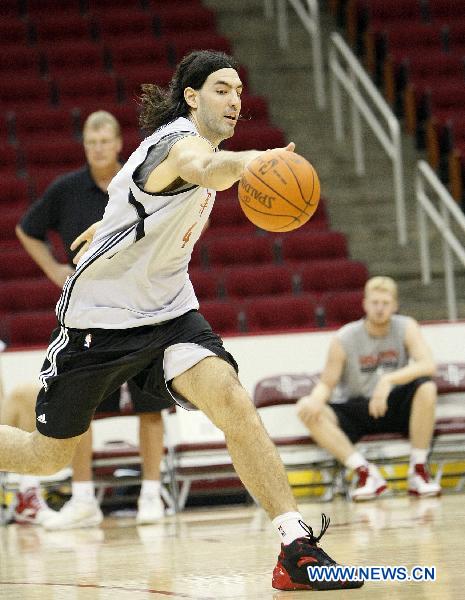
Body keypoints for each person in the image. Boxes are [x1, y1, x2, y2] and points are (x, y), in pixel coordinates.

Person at [0, 50, 363, 591]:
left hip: (170, 313)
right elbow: (202, 168)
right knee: (46, 453)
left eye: (239, 90)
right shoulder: (179, 143)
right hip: (99, 322)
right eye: (221, 88)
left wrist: (106, 229)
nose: (235, 99)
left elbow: (136, 195)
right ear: (191, 97)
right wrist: (251, 163)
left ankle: (296, 547)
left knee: (233, 400)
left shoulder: (170, 149)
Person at [8, 111, 166, 529]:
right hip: (89, 316)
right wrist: (54, 270)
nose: (97, 147)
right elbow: (27, 230)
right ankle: (83, 499)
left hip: (142, 309)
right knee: (82, 409)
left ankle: (152, 495)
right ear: (85, 146)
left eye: (104, 140)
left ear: (118, 144)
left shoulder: (138, 180)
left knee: (151, 406)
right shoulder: (66, 190)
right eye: (90, 141)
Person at [297, 276, 441, 501]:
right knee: (306, 408)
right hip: (358, 408)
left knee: (427, 388)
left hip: (393, 404)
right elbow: (326, 383)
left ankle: (419, 470)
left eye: (385, 303)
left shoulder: (406, 326)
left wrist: (387, 382)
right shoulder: (345, 337)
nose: (380, 308)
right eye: (375, 303)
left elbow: (428, 365)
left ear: (394, 305)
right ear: (365, 304)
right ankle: (365, 472)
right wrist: (315, 399)